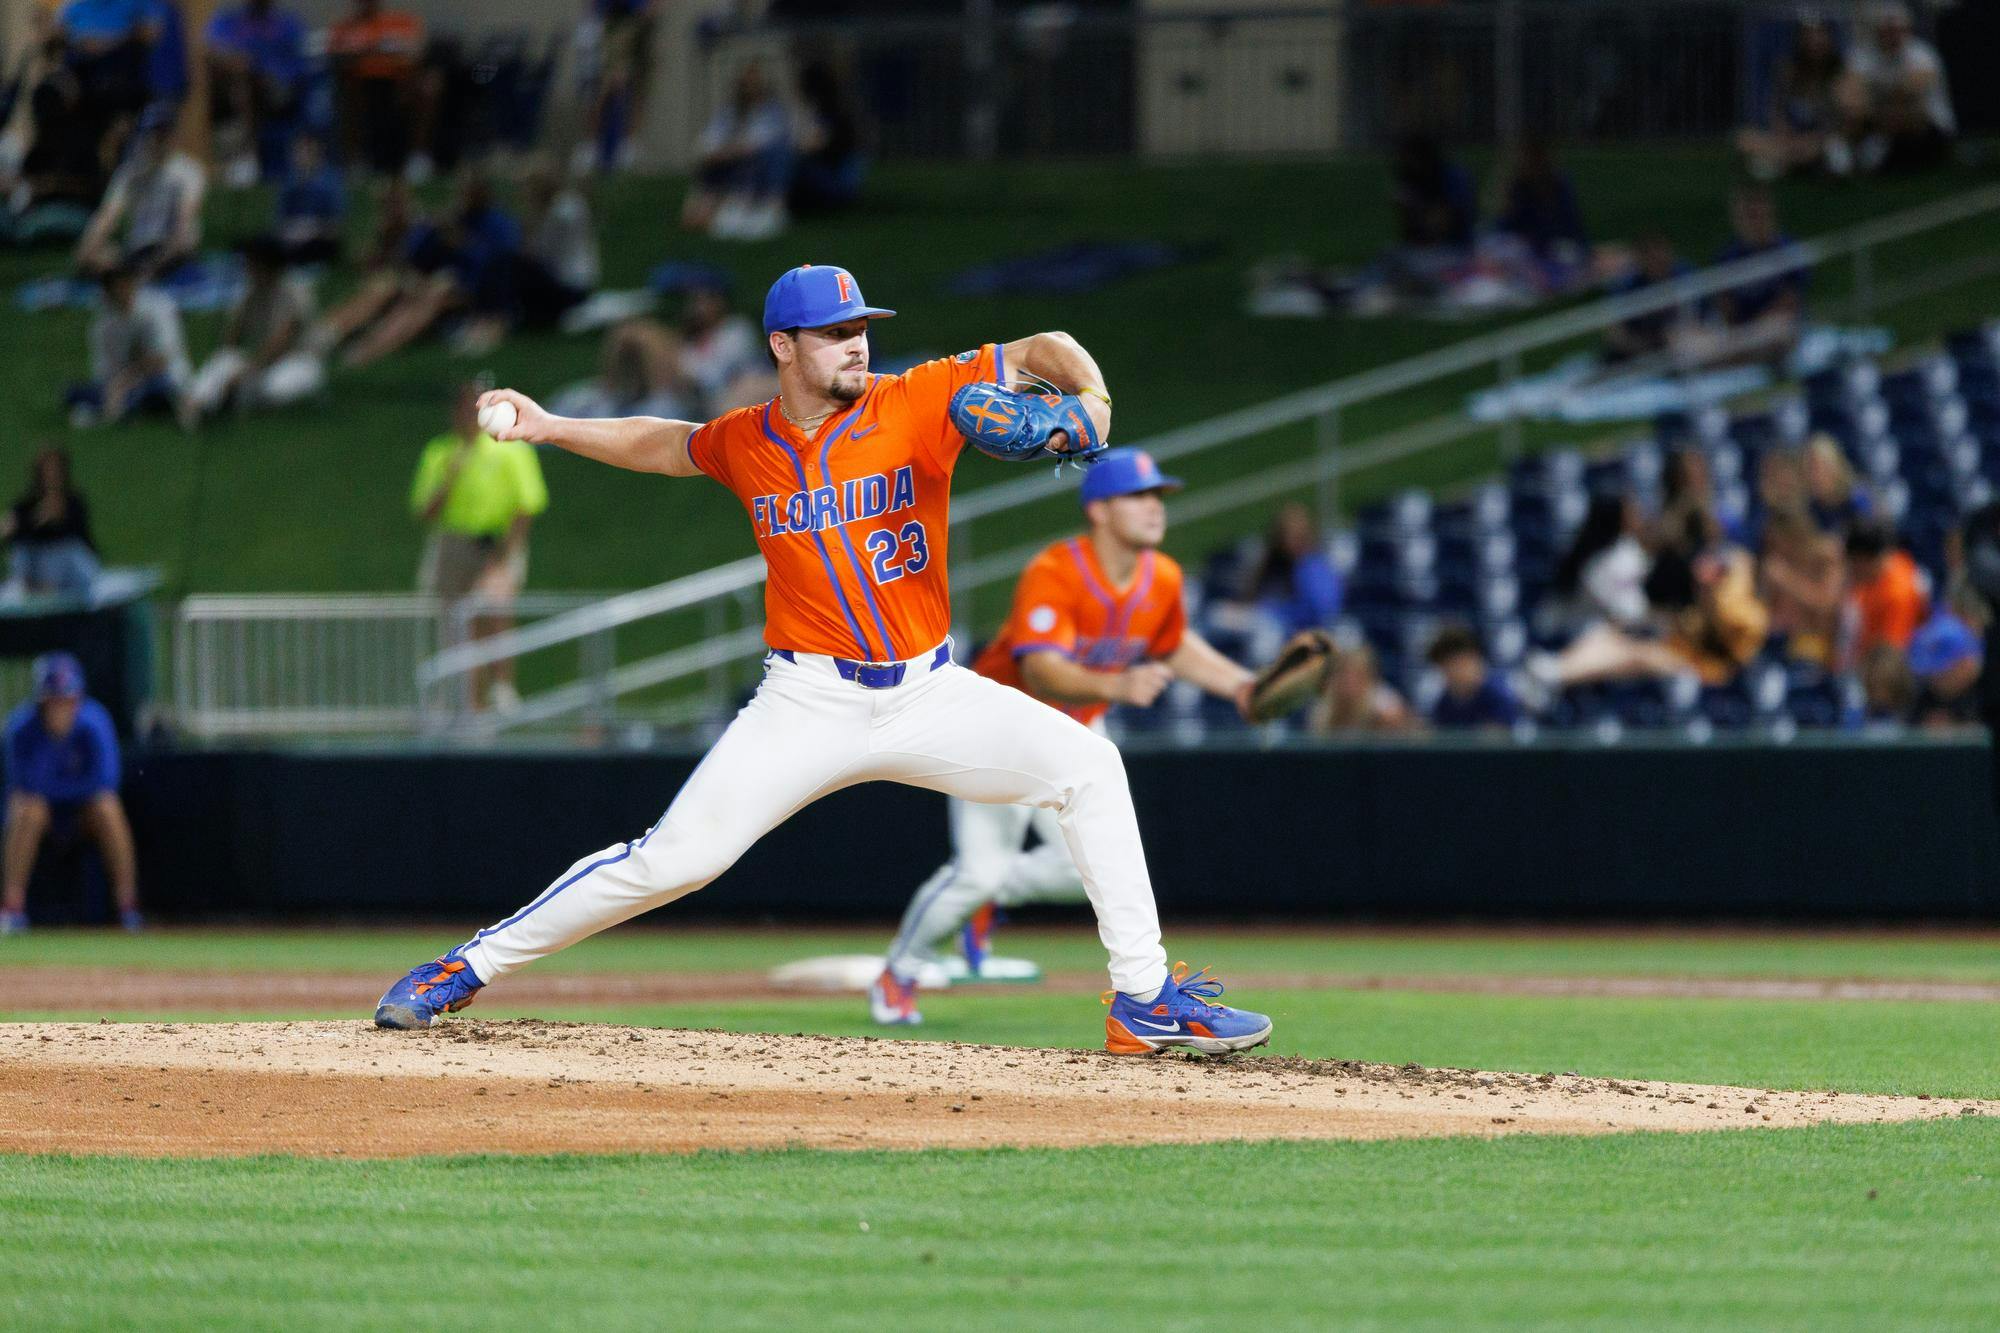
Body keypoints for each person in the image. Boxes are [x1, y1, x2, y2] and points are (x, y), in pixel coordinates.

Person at [373, 263, 1273, 1058]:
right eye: (835, 333)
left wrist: (1097, 399)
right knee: (676, 859)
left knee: (1090, 767)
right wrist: (552, 425)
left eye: (860, 329)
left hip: (930, 691)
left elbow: (1047, 344)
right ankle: (465, 965)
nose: (855, 345)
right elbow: (665, 443)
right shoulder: (749, 440)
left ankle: (1143, 999)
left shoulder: (917, 398)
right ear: (782, 346)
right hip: (807, 700)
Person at [869, 448, 1262, 1025]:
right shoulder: (1055, 571)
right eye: (1139, 495)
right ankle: (901, 971)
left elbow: (1174, 645)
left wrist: (1240, 686)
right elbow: (1040, 670)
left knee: (1081, 871)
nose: (1155, 507)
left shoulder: (1164, 577)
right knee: (977, 870)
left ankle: (993, 897)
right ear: (1099, 510)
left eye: (1159, 496)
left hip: (1076, 734)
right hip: (997, 728)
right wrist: (1120, 683)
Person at [410, 382, 548, 712]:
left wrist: (504, 555)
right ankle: (468, 700)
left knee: (495, 613)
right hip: (454, 543)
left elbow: (527, 504)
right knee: (459, 625)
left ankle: (502, 690)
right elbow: (424, 511)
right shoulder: (440, 452)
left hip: (498, 542)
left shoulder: (512, 449)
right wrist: (449, 478)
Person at [1, 652, 141, 935]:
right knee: (28, 808)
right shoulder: (20, 728)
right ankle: (12, 908)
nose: (61, 708)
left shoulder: (95, 722)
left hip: (82, 815)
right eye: (54, 700)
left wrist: (58, 790)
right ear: (41, 702)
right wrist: (61, 791)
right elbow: (23, 786)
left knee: (107, 807)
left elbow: (105, 782)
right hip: (42, 817)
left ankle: (127, 906)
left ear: (78, 699)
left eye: (67, 700)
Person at [186, 236, 323, 418]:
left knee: (274, 388)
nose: (246, 269)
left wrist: (246, 372)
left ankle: (226, 402)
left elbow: (281, 342)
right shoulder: (251, 293)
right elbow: (232, 341)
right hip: (263, 363)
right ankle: (195, 403)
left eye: (251, 263)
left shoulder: (296, 292)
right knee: (224, 359)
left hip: (298, 362)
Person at [73, 100, 203, 279]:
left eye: (164, 133)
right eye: (155, 133)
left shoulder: (188, 171)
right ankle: (134, 274)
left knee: (185, 238)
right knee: (97, 256)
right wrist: (88, 247)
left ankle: (141, 274)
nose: (159, 139)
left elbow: (184, 219)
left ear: (173, 134)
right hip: (137, 248)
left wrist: (163, 256)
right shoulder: (130, 172)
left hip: (170, 248)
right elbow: (107, 216)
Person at [65, 260, 191, 428]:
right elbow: (105, 371)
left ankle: (110, 410)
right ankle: (120, 407)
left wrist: (123, 383)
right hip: (123, 383)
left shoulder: (157, 308)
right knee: (72, 392)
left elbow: (161, 360)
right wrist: (115, 388)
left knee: (156, 390)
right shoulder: (105, 323)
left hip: (162, 378)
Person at [1834, 2, 1955, 174]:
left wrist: (1873, 95)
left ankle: (1877, 150)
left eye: (1897, 30)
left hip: (1928, 130)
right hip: (1880, 120)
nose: (1892, 36)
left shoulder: (1921, 53)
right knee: (1853, 112)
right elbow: (1846, 95)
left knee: (1903, 109)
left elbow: (1910, 90)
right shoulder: (1863, 54)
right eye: (1886, 30)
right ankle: (1843, 153)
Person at [681, 62, 792, 241]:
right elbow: (706, 144)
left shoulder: (772, 114)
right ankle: (712, 208)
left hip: (753, 173)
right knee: (711, 169)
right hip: (726, 169)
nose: (750, 89)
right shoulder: (730, 113)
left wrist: (728, 151)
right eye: (746, 84)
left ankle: (766, 207)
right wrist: (721, 153)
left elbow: (757, 144)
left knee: (773, 153)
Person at [203, 0, 305, 186]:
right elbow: (210, 49)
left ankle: (251, 152)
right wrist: (241, 64)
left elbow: (296, 69)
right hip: (237, 96)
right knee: (243, 83)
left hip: (280, 94)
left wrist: (261, 74)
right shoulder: (229, 21)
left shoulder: (287, 24)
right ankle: (245, 155)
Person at [327, 0, 430, 179]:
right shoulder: (345, 28)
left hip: (397, 84)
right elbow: (336, 55)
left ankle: (417, 156)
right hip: (362, 86)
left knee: (427, 88)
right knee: (347, 92)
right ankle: (355, 162)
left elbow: (414, 53)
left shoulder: (399, 22)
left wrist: (374, 50)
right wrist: (369, 50)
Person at [1737, 17, 1846, 180]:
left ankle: (1786, 164)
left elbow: (1838, 122)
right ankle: (1792, 164)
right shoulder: (1787, 71)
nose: (1815, 41)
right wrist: (1784, 134)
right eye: (1810, 35)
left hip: (1820, 141)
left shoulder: (1838, 75)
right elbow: (1776, 111)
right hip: (1789, 142)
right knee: (1744, 139)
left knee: (1829, 148)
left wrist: (1811, 140)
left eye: (1820, 34)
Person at [1708, 185, 1807, 365]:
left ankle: (1741, 359)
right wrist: (1736, 330)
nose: (1754, 222)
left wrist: (1751, 332)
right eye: (1748, 216)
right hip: (1739, 331)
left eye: (1757, 215)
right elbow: (1724, 303)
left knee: (1777, 329)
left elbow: (1789, 303)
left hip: (1774, 326)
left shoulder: (1788, 251)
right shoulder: (1728, 256)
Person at [3, 446, 100, 598]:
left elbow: (80, 534)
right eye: (48, 470)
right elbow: (17, 535)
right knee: (23, 552)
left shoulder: (73, 501)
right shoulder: (27, 504)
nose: (53, 475)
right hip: (37, 564)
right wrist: (33, 522)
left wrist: (58, 519)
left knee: (67, 550)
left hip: (68, 565)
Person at [1551, 493, 1651, 633]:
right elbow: (1609, 610)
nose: (1638, 516)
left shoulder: (1629, 547)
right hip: (1587, 631)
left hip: (1628, 630)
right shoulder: (1594, 560)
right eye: (1631, 512)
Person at [1245, 501, 1344, 637]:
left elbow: (1322, 612)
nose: (1296, 540)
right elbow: (1251, 597)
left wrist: (1273, 613)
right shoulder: (1273, 565)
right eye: (1290, 535)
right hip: (1270, 630)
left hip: (1306, 636)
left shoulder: (1314, 567)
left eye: (1300, 534)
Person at [1602, 231, 1695, 365]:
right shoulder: (1628, 286)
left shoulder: (1685, 274)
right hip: (1642, 348)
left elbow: (1701, 317)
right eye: (1648, 254)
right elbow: (1615, 332)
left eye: (1659, 250)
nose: (1656, 258)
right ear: (1639, 258)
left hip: (1685, 341)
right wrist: (1643, 345)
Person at [1844, 519, 1927, 661]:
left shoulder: (1898, 594)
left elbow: (1890, 657)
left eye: (1855, 563)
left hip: (1885, 666)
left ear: (1864, 561)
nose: (1852, 569)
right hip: (1857, 649)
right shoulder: (1888, 566)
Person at [1308, 641, 1415, 735]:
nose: (1349, 682)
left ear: (1369, 677)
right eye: (1342, 674)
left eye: (1356, 675)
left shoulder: (1387, 710)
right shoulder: (1324, 710)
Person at [1426, 624, 1520, 729]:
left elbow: (1498, 738)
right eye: (1446, 667)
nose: (1454, 673)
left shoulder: (1498, 695)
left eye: (1460, 665)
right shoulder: (1444, 703)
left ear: (1475, 660)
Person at [272, 132, 344, 265]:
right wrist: (291, 231)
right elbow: (279, 220)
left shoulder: (331, 182)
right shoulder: (289, 182)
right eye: (298, 151)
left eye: (307, 151)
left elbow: (335, 225)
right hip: (290, 237)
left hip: (318, 239)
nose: (301, 156)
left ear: (318, 152)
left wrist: (311, 229)